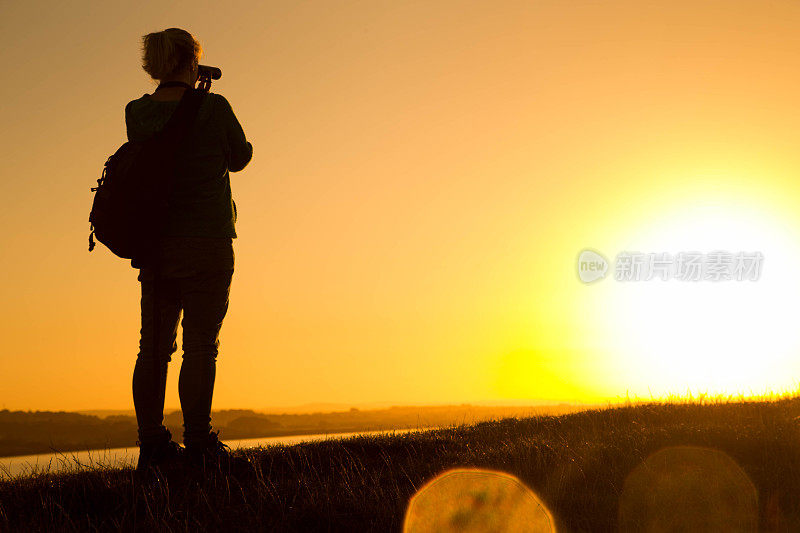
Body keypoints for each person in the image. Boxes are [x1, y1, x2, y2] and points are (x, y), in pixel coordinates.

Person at [127, 28, 253, 477]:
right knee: (201, 346)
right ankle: (199, 442)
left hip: (157, 247)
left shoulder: (137, 112)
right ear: (190, 61)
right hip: (208, 242)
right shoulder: (214, 107)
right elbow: (239, 156)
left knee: (153, 348)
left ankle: (152, 446)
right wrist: (204, 98)